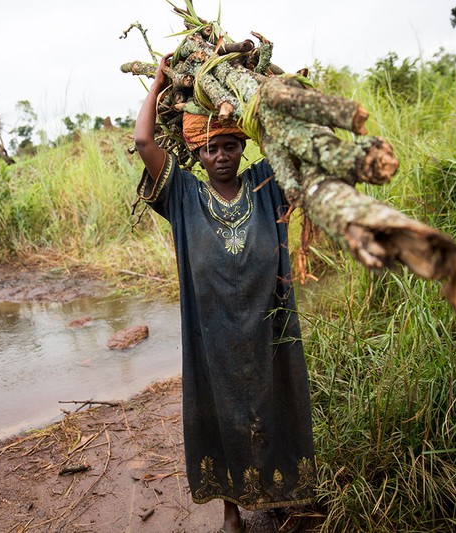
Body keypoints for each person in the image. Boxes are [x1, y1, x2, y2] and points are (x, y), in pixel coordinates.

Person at [134, 54, 316, 533]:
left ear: (243, 148)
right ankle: (231, 512)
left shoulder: (266, 186)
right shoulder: (184, 196)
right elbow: (142, 141)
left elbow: (295, 146)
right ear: (196, 153)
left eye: (231, 145)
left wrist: (257, 98)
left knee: (278, 402)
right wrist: (156, 86)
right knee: (218, 414)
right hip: (210, 334)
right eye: (211, 147)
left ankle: (286, 495)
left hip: (268, 326)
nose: (221, 155)